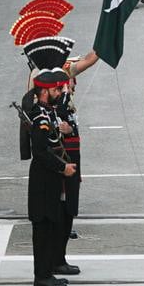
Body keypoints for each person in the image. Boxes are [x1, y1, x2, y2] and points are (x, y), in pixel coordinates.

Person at [22, 68, 77, 286]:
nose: (59, 92)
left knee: (51, 225)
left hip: (49, 180)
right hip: (43, 180)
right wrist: (63, 167)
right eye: (55, 89)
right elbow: (41, 151)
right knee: (43, 229)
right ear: (44, 92)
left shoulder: (48, 113)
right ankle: (42, 276)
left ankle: (46, 272)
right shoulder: (40, 117)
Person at [54, 51, 99, 270]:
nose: (73, 84)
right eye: (71, 81)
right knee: (64, 205)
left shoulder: (65, 99)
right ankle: (57, 259)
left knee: (68, 206)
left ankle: (59, 258)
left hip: (72, 156)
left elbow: (90, 59)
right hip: (64, 158)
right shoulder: (59, 101)